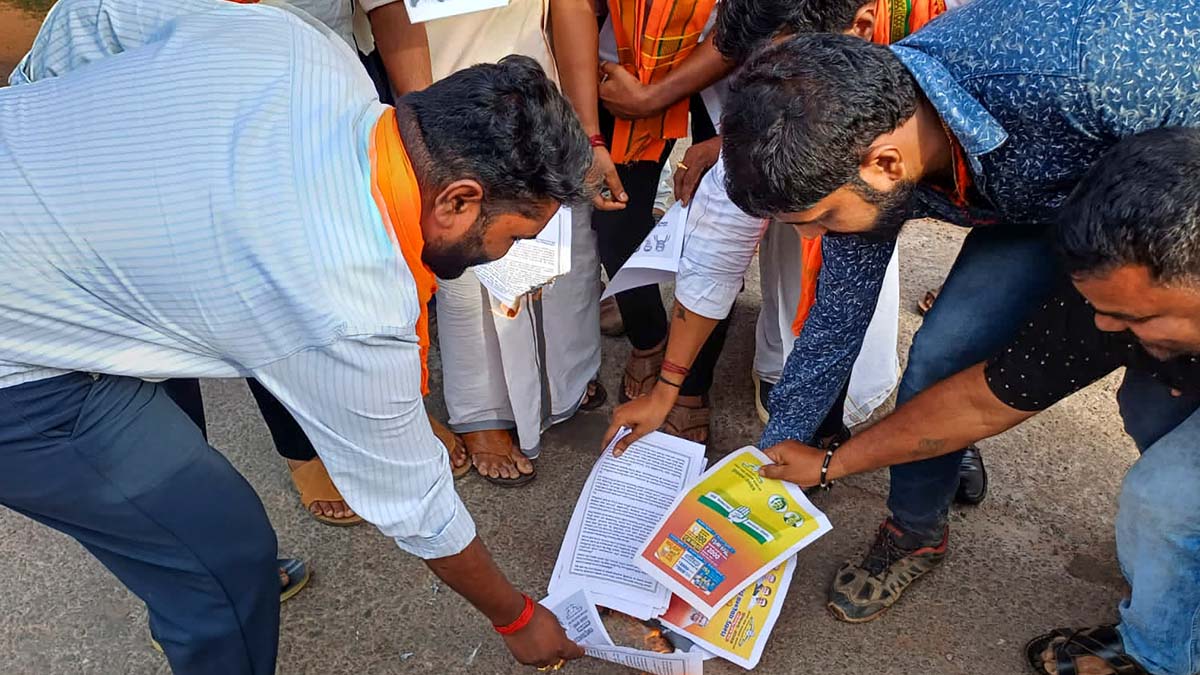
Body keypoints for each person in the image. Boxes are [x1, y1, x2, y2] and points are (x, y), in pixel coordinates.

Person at [0, 0, 593, 671]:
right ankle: (209, 584)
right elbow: (416, 506)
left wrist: (39, 130)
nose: (508, 255)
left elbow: (98, 15)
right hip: (17, 364)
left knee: (201, 517)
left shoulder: (305, 49)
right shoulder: (347, 297)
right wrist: (516, 616)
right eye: (516, 236)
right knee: (220, 557)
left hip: (40, 267)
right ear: (457, 199)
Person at [717, 0, 1200, 626]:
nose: (820, 238)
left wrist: (1136, 321)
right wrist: (778, 450)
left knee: (1158, 417)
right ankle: (916, 530)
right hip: (1044, 209)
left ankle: (1171, 598)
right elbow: (835, 324)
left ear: (885, 163)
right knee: (944, 356)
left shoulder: (1102, 69)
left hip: (1165, 226)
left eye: (822, 221)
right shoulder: (859, 144)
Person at [761, 127, 1200, 675]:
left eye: (1137, 317)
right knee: (1151, 405)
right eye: (1104, 309)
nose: (1109, 329)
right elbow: (981, 401)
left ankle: (1159, 653)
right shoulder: (1116, 300)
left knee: (1167, 500)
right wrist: (832, 463)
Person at [605, 0, 976, 493]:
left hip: (1046, 198)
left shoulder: (1023, 78)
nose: (776, 93)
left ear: (861, 29)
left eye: (787, 71)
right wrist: (670, 388)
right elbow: (732, 259)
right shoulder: (803, 116)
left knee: (951, 351)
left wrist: (959, 418)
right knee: (834, 314)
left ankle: (947, 446)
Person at [361, 0, 616, 486]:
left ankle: (562, 384)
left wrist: (588, 135)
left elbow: (569, 8)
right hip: (450, 109)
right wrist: (436, 152)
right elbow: (392, 16)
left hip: (540, 104)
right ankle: (483, 411)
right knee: (468, 272)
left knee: (562, 254)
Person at [588, 0, 736, 444]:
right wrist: (593, 136)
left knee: (720, 222)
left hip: (745, 63)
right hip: (632, 60)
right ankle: (648, 337)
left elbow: (756, 19)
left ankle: (692, 386)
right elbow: (573, 9)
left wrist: (729, 140)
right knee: (614, 215)